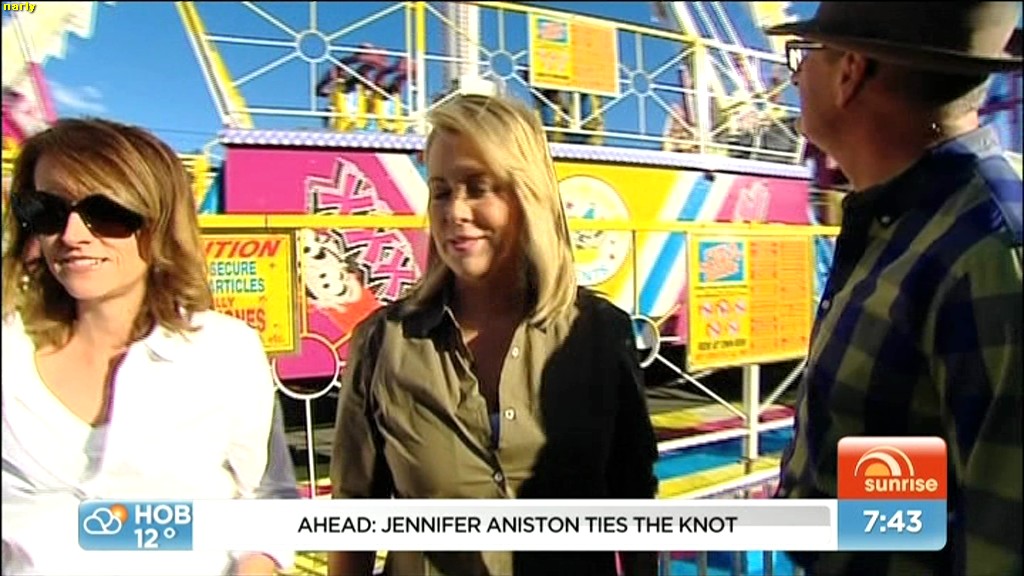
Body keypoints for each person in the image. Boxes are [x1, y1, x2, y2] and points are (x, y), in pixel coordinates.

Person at [328, 94, 659, 576]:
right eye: (441, 192)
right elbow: (353, 514)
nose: (455, 211)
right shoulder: (383, 344)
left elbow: (633, 500)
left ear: (528, 197)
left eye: (478, 188)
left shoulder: (599, 335)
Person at [764, 4, 1022, 576]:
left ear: (850, 71)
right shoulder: (905, 226)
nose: (795, 77)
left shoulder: (990, 252)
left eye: (804, 56)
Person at [1, 118, 291, 576]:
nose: (73, 235)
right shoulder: (9, 352)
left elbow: (267, 500)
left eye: (105, 212)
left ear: (158, 221)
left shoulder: (227, 351)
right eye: (47, 211)